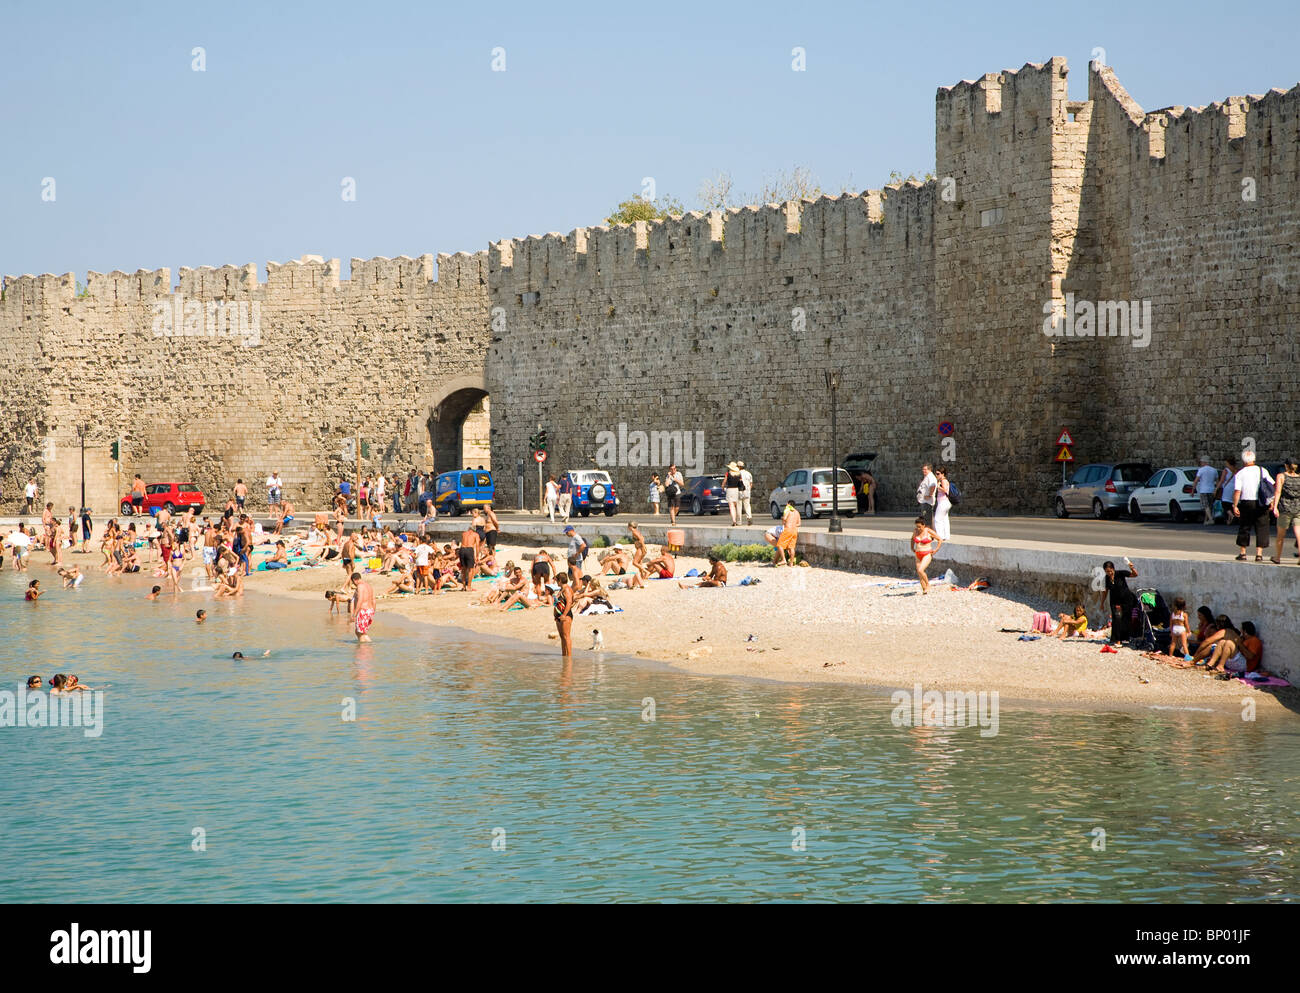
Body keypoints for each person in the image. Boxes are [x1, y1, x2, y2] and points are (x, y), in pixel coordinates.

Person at [1230, 450, 1273, 561]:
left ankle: (1243, 553)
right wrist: (1272, 502)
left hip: (1246, 502)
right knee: (1262, 527)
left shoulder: (1240, 473)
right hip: (1261, 502)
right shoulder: (1262, 470)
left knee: (1245, 526)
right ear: (1254, 459)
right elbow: (1271, 486)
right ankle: (1259, 554)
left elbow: (1237, 491)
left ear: (1243, 461)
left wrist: (1235, 505)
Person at [1096, 558, 1138, 645]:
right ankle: (1117, 639)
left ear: (1113, 569)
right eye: (1107, 571)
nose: (1109, 573)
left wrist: (1132, 568)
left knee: (1126, 619)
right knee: (1116, 619)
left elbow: (1135, 575)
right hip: (1115, 601)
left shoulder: (1120, 573)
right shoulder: (1106, 579)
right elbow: (1105, 591)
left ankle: (1125, 638)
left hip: (1126, 600)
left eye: (1110, 571)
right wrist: (1102, 603)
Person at [1268, 455, 1300, 564]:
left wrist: (1275, 506)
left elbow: (1277, 492)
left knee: (1281, 535)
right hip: (1298, 508)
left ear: (1286, 466)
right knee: (1298, 534)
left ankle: (1277, 557)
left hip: (1285, 508)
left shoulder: (1281, 476)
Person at [910, 517, 942, 594]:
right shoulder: (915, 531)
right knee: (919, 573)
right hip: (918, 554)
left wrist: (936, 549)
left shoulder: (928, 531)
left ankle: (928, 584)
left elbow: (939, 539)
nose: (918, 528)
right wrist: (912, 548)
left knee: (921, 570)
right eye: (917, 526)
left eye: (919, 527)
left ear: (923, 525)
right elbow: (912, 539)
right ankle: (924, 589)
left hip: (927, 553)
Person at [552, 571, 576, 657]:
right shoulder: (561, 589)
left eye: (557, 580)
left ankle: (569, 657)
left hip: (565, 615)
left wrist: (564, 615)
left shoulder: (567, 589)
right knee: (562, 637)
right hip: (559, 615)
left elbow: (569, 602)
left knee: (566, 636)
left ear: (560, 581)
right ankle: (564, 656)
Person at [349, 572, 376, 643]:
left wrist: (354, 615)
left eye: (353, 582)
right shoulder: (368, 586)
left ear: (355, 580)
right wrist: (373, 612)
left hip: (363, 611)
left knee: (361, 633)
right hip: (370, 610)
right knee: (358, 632)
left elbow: (360, 600)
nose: (354, 584)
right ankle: (364, 648)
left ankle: (364, 650)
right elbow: (374, 600)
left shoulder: (360, 586)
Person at [1193, 455, 1218, 525]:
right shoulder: (1214, 470)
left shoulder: (1201, 470)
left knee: (1206, 506)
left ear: (1204, 462)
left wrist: (1192, 490)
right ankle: (1206, 520)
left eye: (1201, 462)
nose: (1201, 463)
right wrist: (1216, 489)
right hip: (1211, 490)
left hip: (1203, 490)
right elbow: (1217, 481)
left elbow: (1196, 481)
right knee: (1209, 506)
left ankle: (1210, 519)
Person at [458, 524, 482, 589]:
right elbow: (477, 546)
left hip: (462, 549)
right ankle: (469, 586)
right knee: (471, 569)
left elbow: (462, 542)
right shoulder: (476, 534)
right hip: (469, 549)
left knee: (463, 569)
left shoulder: (464, 533)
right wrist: (477, 556)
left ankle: (463, 586)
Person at [1217, 455, 1239, 525]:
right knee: (1231, 502)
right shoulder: (1236, 470)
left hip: (1227, 487)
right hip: (1235, 487)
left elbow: (1222, 480)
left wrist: (1216, 488)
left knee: (1225, 503)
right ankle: (1229, 520)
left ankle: (1231, 515)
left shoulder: (1226, 470)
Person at [777, 502, 801, 566]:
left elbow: (784, 518)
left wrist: (782, 518)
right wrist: (793, 524)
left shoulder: (788, 510)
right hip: (794, 531)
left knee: (779, 545)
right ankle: (791, 563)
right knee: (791, 547)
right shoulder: (797, 512)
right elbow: (799, 523)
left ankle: (783, 560)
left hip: (788, 529)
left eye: (787, 504)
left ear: (789, 504)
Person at [933, 467, 953, 541]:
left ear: (943, 474)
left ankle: (940, 536)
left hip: (943, 502)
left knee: (937, 519)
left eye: (938, 474)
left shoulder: (943, 481)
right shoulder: (942, 480)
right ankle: (946, 536)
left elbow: (945, 490)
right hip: (945, 502)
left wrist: (938, 486)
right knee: (945, 519)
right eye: (936, 473)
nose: (936, 475)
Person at [916, 464, 938, 529]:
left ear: (930, 469)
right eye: (923, 469)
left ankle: (930, 535)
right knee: (925, 519)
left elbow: (933, 486)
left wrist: (929, 495)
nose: (923, 471)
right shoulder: (927, 476)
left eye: (925, 469)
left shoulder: (930, 477)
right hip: (924, 501)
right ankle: (927, 534)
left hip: (927, 502)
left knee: (927, 520)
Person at [724, 462, 743, 526]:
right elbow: (741, 482)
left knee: (731, 506)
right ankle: (737, 520)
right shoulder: (739, 474)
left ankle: (734, 520)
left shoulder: (728, 473)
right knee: (735, 506)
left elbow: (724, 481)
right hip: (736, 490)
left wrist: (722, 486)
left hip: (730, 490)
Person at [738, 461, 754, 525]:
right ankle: (749, 517)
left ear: (739, 467)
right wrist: (749, 490)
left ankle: (739, 521)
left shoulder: (737, 473)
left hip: (739, 491)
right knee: (747, 505)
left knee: (739, 506)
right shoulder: (748, 473)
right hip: (747, 491)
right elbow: (751, 483)